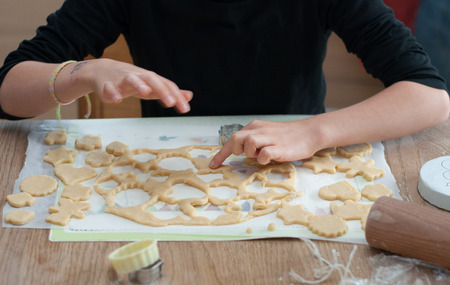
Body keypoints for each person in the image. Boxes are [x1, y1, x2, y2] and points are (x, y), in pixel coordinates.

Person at [0, 0, 448, 169]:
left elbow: (429, 96)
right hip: (170, 167)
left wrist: (316, 131)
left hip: (294, 159)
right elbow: (9, 90)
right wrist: (85, 72)